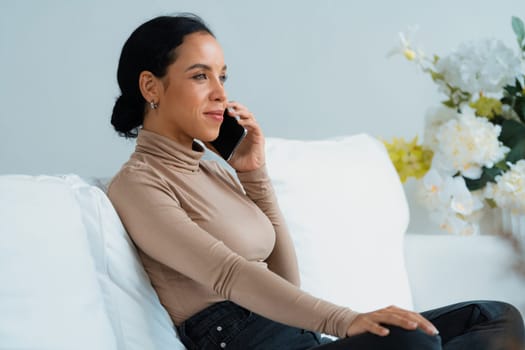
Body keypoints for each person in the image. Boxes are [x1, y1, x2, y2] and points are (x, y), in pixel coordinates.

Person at [107, 14, 525, 350]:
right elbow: (229, 275)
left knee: (494, 318)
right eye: (201, 76)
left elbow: (286, 284)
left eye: (223, 77)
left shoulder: (214, 167)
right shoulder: (139, 185)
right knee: (410, 340)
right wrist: (346, 320)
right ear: (150, 86)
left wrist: (254, 174)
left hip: (299, 335)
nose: (220, 93)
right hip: (241, 341)